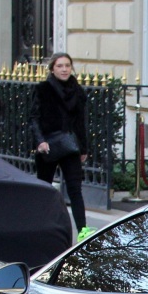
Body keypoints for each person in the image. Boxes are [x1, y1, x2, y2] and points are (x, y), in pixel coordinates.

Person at [30, 52, 93, 239]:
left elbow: (81, 122)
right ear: (52, 69)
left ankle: (82, 230)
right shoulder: (43, 89)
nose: (64, 69)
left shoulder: (77, 91)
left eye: (67, 65)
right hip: (48, 144)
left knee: (75, 189)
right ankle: (41, 226)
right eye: (60, 66)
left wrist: (83, 148)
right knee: (45, 188)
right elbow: (34, 118)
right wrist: (40, 141)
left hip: (70, 145)